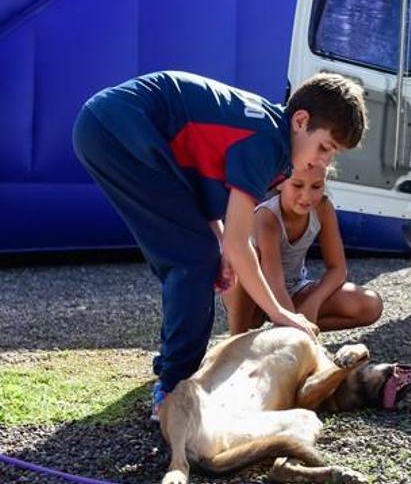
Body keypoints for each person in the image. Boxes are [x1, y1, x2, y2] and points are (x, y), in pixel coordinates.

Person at [72, 71, 367, 420]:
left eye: (332, 155)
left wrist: (219, 240)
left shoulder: (275, 143)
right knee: (192, 261)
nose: (323, 162)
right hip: (117, 126)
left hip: (116, 127)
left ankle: (171, 368)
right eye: (324, 148)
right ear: (300, 121)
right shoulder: (268, 143)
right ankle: (173, 391)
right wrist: (280, 314)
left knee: (198, 256)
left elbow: (204, 189)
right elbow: (240, 243)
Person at [223, 165, 383, 335]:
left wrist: (313, 301)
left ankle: (287, 332)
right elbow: (273, 282)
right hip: (257, 293)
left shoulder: (323, 208)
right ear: (280, 183)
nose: (307, 196)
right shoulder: (267, 216)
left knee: (370, 305)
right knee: (246, 258)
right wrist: (293, 322)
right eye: (297, 185)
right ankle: (237, 337)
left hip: (295, 288)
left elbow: (338, 269)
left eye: (316, 186)